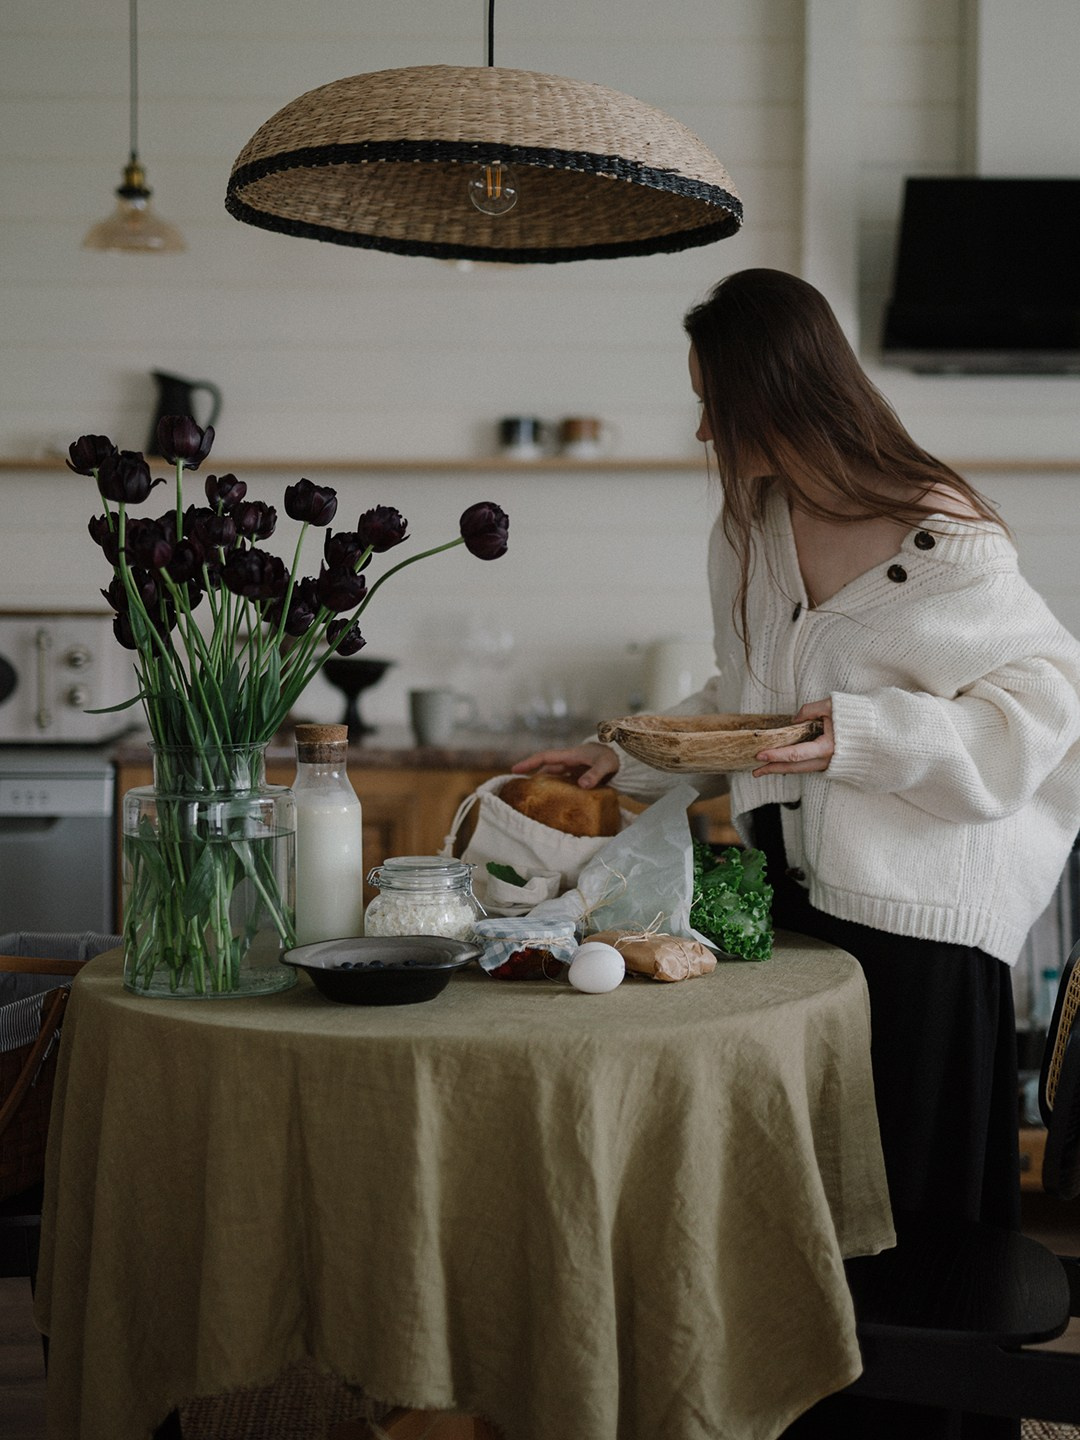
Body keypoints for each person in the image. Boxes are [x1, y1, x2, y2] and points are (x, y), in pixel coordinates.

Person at [514, 268, 1080, 1438]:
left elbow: (1044, 711)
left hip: (924, 928)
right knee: (805, 1210)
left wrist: (864, 738)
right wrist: (631, 753)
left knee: (908, 1237)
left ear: (779, 390)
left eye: (716, 402)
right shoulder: (751, 530)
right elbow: (749, 702)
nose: (707, 429)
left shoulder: (944, 537)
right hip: (795, 911)